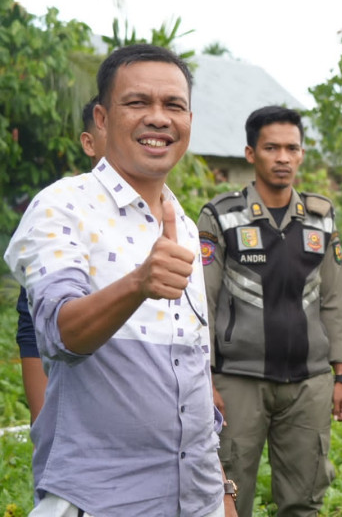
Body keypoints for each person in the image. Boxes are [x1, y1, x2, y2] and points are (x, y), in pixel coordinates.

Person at [5, 44, 237, 517]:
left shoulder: (185, 226)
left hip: (197, 499)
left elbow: (193, 374)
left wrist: (222, 492)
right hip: (100, 500)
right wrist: (137, 284)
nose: (158, 118)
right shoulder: (61, 207)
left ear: (189, 121)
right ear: (102, 119)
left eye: (173, 105)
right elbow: (59, 333)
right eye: (137, 103)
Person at [198, 105, 342, 517]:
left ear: (302, 154)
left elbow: (334, 300)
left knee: (304, 500)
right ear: (251, 153)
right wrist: (205, 378)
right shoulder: (221, 216)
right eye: (271, 148)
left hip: (309, 383)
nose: (283, 157)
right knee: (229, 497)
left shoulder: (321, 219)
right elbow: (203, 301)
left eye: (291, 148)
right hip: (237, 382)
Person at [16, 97, 104, 424]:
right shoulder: (60, 208)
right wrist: (45, 421)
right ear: (89, 142)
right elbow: (31, 321)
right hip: (68, 388)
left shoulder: (166, 217)